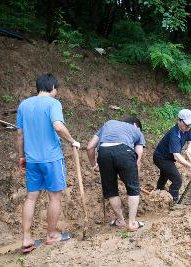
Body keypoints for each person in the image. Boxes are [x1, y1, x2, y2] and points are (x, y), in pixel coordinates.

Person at [16, 73, 80, 253]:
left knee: (31, 198)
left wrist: (22, 156)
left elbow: (20, 135)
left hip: (32, 160)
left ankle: (26, 238)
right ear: (52, 87)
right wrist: (72, 141)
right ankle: (51, 235)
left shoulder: (24, 105)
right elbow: (58, 126)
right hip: (51, 159)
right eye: (56, 89)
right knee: (54, 197)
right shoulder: (53, 103)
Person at [86, 116, 145, 231]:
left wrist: (94, 165)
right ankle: (132, 223)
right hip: (125, 152)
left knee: (111, 190)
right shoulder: (136, 131)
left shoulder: (108, 124)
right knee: (133, 189)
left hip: (104, 153)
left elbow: (89, 147)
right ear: (135, 125)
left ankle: (120, 221)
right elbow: (139, 153)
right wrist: (133, 170)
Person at [153, 109, 191, 203]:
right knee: (177, 180)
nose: (188, 127)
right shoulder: (174, 135)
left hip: (168, 158)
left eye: (190, 124)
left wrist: (189, 149)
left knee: (164, 175)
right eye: (186, 124)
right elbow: (177, 156)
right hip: (161, 158)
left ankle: (158, 193)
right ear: (179, 121)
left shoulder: (187, 129)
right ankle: (173, 203)